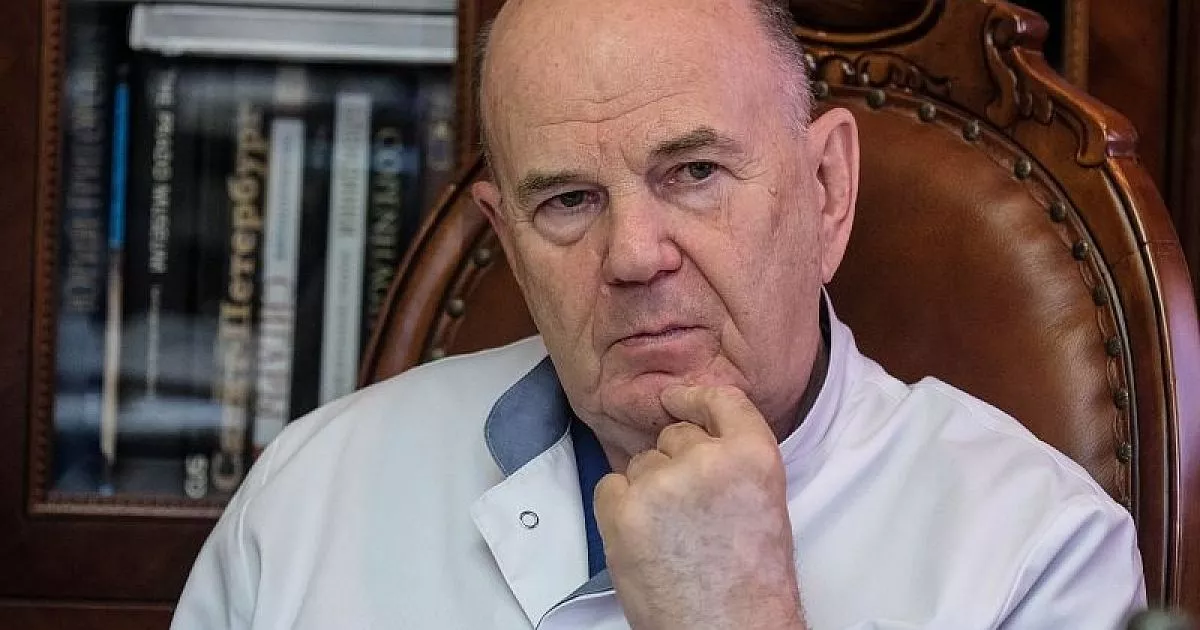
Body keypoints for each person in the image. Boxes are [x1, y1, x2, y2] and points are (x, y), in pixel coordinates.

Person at [171, 0, 1147, 627]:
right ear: (507, 240)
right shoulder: (311, 497)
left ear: (825, 190)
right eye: (568, 200)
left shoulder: (1036, 553)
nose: (635, 255)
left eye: (695, 172)